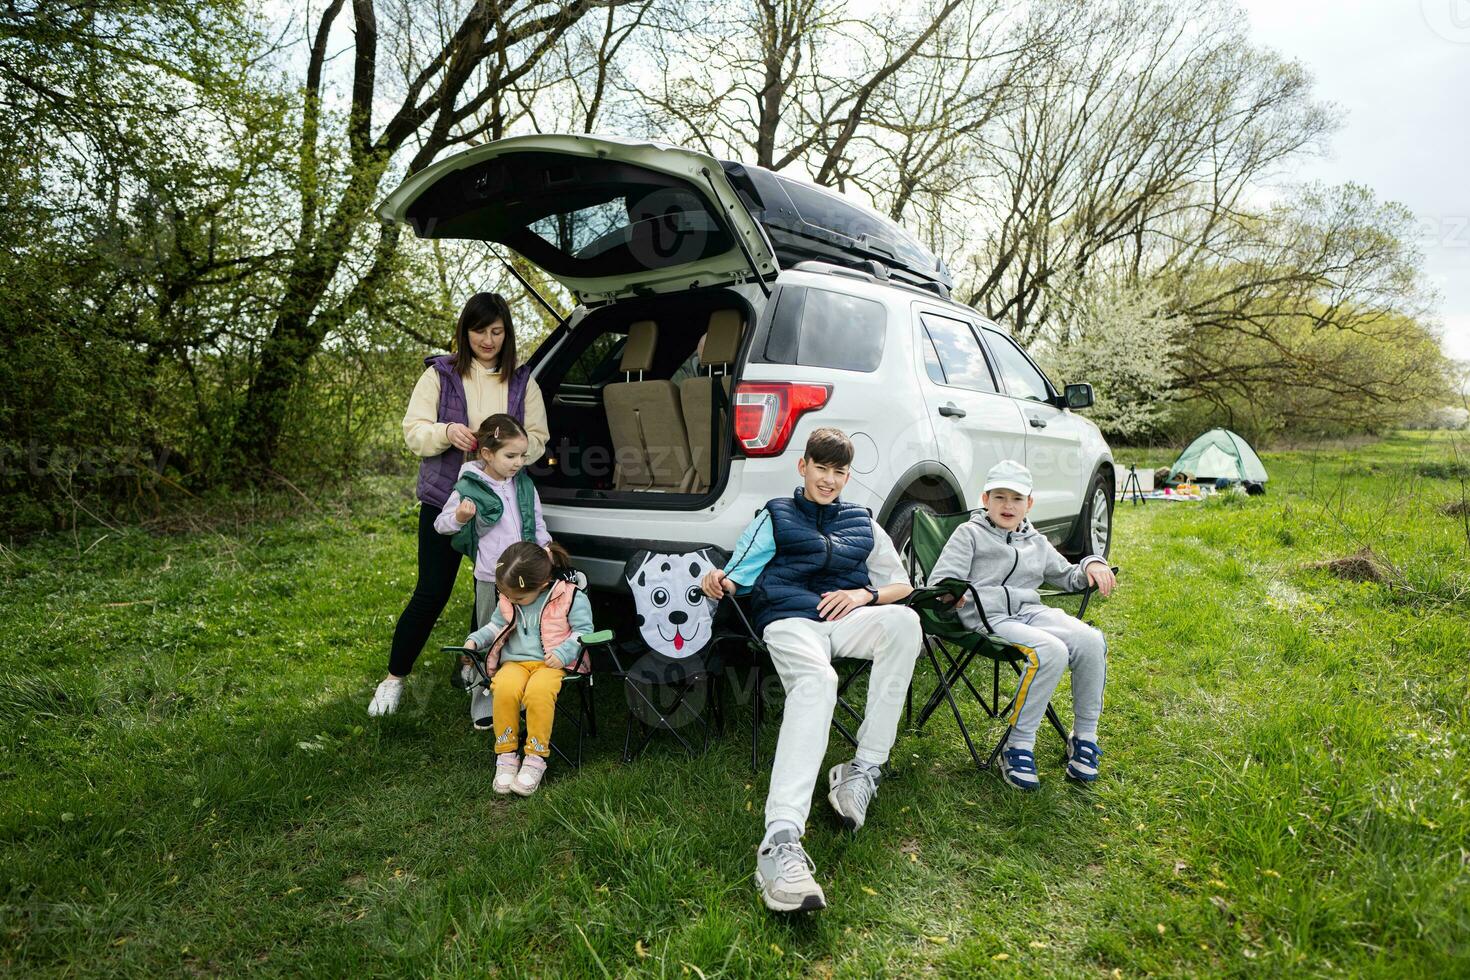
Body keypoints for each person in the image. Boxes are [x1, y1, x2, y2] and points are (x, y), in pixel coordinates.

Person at [701, 427, 920, 913]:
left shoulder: (863, 521)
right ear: (803, 467)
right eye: (821, 468)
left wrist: (863, 595)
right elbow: (735, 574)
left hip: (845, 617)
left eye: (839, 471)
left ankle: (862, 769)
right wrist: (718, 580)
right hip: (789, 619)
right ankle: (779, 840)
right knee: (820, 681)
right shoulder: (776, 515)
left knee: (905, 624)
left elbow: (901, 585)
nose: (830, 479)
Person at [369, 293, 550, 718]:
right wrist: (447, 432)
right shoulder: (441, 374)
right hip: (445, 501)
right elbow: (413, 431)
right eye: (478, 330)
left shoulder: (523, 381)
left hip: (501, 505)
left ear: (507, 334)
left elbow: (539, 438)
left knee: (490, 592)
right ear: (464, 332)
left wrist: (510, 452)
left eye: (496, 331)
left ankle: (474, 667)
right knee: (431, 591)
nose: (487, 340)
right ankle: (394, 679)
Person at [927, 459, 1117, 791]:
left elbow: (1068, 576)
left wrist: (1091, 562)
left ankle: (1084, 737)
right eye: (999, 497)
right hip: (987, 617)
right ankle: (1018, 745)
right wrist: (949, 595)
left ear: (1029, 504)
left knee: (1090, 640)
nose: (1008, 506)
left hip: (1030, 613)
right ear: (985, 500)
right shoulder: (969, 534)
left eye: (1016, 499)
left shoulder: (1035, 541)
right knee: (1051, 651)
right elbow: (942, 581)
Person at [433, 412, 552, 728]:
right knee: (490, 637)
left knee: (526, 636)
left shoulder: (523, 484)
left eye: (522, 456)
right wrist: (459, 516)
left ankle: (522, 695)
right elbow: (441, 524)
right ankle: (483, 705)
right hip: (491, 577)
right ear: (486, 453)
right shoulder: (470, 487)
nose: (518, 463)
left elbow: (537, 523)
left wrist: (547, 549)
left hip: (526, 575)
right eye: (510, 455)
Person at [462, 542, 594, 796]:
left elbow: (584, 632)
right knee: (505, 688)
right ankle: (507, 755)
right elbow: (495, 625)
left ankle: (535, 758)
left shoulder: (569, 596)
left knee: (538, 693)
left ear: (542, 584)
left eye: (518, 598)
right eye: (507, 595)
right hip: (515, 662)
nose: (511, 600)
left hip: (552, 663)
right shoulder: (510, 596)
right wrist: (475, 639)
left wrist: (563, 653)